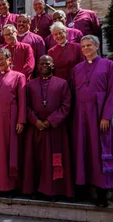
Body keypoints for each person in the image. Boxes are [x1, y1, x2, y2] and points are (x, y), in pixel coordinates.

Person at [72, 35, 113, 207]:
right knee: (83, 151)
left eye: (89, 45)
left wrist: (106, 116)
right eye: (83, 46)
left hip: (99, 115)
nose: (85, 48)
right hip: (81, 116)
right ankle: (84, 189)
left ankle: (103, 193)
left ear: (97, 46)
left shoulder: (109, 65)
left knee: (99, 151)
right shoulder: (77, 68)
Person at [22, 55, 74, 200]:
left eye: (48, 63)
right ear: (37, 66)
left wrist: (50, 121)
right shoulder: (30, 85)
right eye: (41, 63)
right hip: (36, 129)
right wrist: (35, 120)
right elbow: (25, 105)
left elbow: (66, 105)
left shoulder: (62, 83)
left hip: (55, 130)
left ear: (53, 65)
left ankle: (54, 191)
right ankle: (35, 189)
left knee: (54, 160)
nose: (44, 65)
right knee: (36, 160)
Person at [0, 48, 26, 196]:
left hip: (10, 118)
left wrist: (21, 120)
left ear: (10, 60)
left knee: (9, 152)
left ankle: (9, 186)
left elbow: (22, 100)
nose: (1, 62)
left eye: (3, 59)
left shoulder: (19, 76)